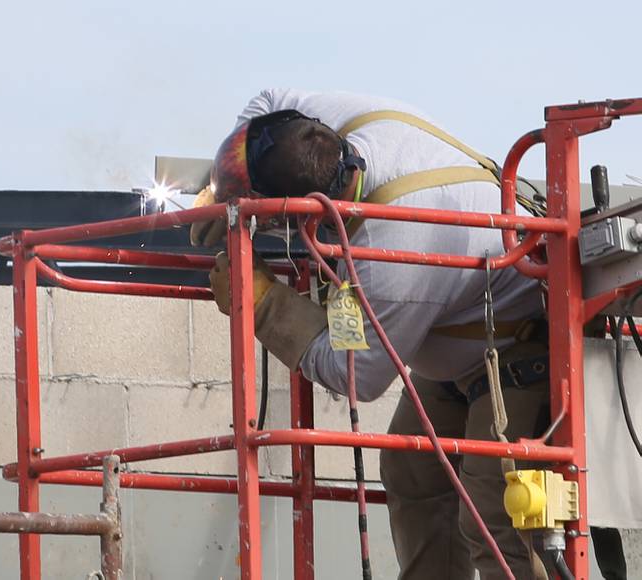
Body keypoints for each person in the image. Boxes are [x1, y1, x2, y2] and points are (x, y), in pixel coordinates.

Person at [192, 89, 555, 580]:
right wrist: (226, 175)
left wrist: (263, 303)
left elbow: (356, 375)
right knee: (411, 474)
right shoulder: (336, 125)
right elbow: (266, 100)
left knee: (493, 515)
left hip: (516, 354)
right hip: (458, 346)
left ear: (304, 210)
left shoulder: (396, 248)